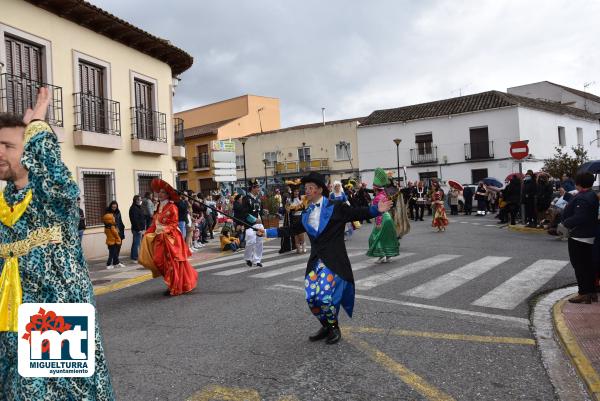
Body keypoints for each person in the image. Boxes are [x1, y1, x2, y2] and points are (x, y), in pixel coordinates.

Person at [0, 89, 114, 399]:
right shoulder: (4, 204)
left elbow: (60, 183)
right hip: (10, 320)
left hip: (53, 314)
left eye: (8, 145)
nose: (0, 152)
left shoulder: (52, 199)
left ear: (31, 152)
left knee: (60, 395)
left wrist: (37, 126)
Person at [260, 171, 392, 345]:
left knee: (323, 297)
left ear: (319, 190)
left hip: (333, 261)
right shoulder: (306, 212)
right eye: (305, 188)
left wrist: (376, 210)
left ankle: (334, 327)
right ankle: (326, 325)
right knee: (311, 298)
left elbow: (356, 213)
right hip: (316, 261)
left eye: (310, 188)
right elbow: (293, 229)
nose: (306, 191)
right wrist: (267, 232)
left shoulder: (335, 206)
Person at [139, 178, 198, 296]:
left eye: (163, 192)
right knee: (159, 261)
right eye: (159, 192)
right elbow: (154, 223)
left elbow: (173, 223)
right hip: (160, 238)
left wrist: (164, 230)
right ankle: (173, 284)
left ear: (168, 195)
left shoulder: (172, 207)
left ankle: (174, 286)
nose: (159, 194)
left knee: (172, 263)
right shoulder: (158, 207)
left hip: (171, 239)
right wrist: (148, 232)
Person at [560, 172, 599, 303]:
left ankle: (583, 293)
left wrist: (565, 223)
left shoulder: (583, 198)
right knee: (588, 265)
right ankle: (592, 291)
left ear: (579, 183)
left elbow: (580, 217)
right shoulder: (590, 194)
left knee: (580, 266)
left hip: (579, 236)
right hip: (588, 234)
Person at [367, 168, 401, 262]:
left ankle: (381, 256)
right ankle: (388, 255)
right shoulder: (384, 195)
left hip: (381, 218)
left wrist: (378, 222)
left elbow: (379, 211)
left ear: (375, 189)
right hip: (388, 218)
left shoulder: (378, 197)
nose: (373, 189)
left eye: (373, 188)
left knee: (375, 237)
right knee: (386, 237)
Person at [103, 201, 125, 269]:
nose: (114, 208)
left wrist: (122, 230)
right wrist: (110, 226)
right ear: (110, 207)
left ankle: (116, 262)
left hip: (119, 231)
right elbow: (106, 221)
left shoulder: (118, 212)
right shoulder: (108, 214)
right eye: (113, 207)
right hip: (113, 232)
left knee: (118, 248)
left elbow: (120, 221)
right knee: (113, 249)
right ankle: (112, 262)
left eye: (115, 207)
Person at [289, 187, 307, 253]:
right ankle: (298, 248)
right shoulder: (290, 200)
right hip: (293, 218)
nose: (296, 193)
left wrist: (299, 207)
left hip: (300, 217)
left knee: (301, 233)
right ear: (292, 192)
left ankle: (304, 246)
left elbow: (304, 208)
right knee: (296, 233)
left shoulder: (301, 199)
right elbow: (289, 210)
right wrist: (292, 209)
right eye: (295, 191)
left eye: (297, 191)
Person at [129, 195, 145, 263]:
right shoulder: (134, 208)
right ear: (136, 200)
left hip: (139, 228)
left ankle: (133, 257)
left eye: (141, 200)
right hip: (137, 229)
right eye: (140, 200)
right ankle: (134, 258)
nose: (141, 201)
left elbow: (141, 218)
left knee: (135, 243)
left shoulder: (138, 207)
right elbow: (135, 220)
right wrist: (139, 229)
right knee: (136, 243)